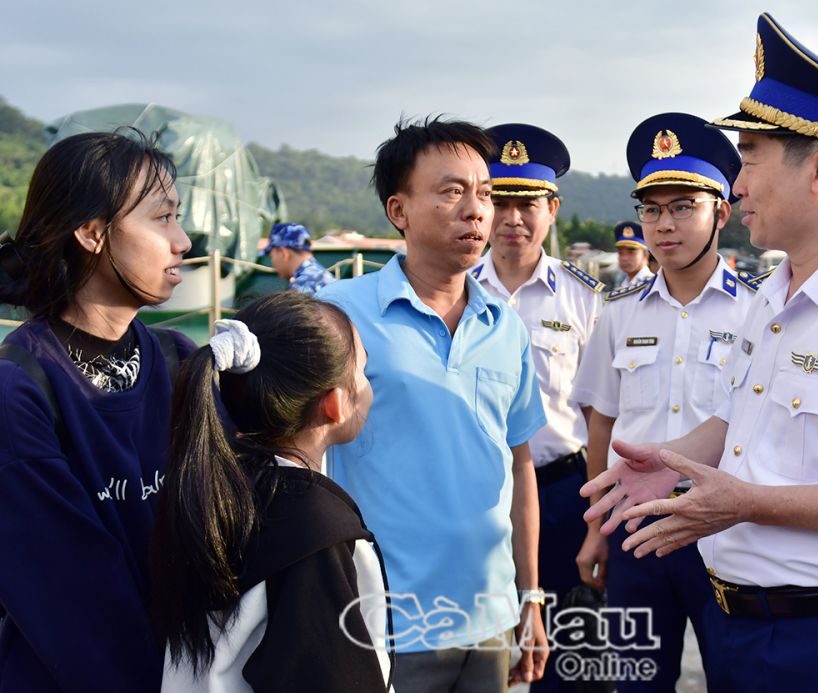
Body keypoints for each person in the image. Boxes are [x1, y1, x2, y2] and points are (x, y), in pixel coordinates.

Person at [581, 13, 818, 692]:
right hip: (744, 627)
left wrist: (744, 502)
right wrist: (673, 463)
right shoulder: (776, 294)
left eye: (752, 160)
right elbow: (738, 420)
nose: (737, 186)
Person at [316, 117, 548, 692]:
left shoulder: (505, 328)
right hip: (382, 618)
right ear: (399, 211)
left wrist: (530, 597)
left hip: (489, 618)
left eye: (485, 193)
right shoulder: (340, 315)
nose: (477, 210)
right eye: (451, 192)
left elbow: (519, 465)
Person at [0, 130, 195, 691]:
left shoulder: (181, 361)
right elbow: (71, 596)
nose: (181, 240)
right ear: (91, 233)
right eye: (161, 218)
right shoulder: (20, 391)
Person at [572, 112, 747, 691]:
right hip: (634, 526)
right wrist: (597, 529)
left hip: (722, 527)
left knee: (733, 675)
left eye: (682, 207)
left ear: (721, 212)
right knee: (637, 680)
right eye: (652, 209)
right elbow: (602, 422)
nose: (663, 224)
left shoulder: (758, 310)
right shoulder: (618, 313)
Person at [152, 292, 392, 692]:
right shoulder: (313, 529)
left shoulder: (215, 485)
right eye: (363, 371)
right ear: (333, 403)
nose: (368, 388)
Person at [471, 123, 603, 692]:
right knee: (478, 655)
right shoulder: (458, 290)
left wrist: (599, 513)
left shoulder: (587, 300)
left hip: (561, 494)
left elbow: (602, 414)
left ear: (552, 209)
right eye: (499, 202)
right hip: (476, 495)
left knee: (570, 660)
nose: (512, 219)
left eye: (526, 204)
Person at [261, 222, 336, 295]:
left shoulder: (302, 286)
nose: (272, 261)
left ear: (285, 253)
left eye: (271, 256)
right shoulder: (321, 275)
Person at [612, 221, 654, 288]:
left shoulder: (653, 285)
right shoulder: (622, 285)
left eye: (631, 252)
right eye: (620, 253)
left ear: (645, 255)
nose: (624, 258)